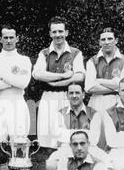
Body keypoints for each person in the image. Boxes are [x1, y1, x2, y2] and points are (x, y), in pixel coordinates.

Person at [32, 16, 85, 149]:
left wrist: (57, 83)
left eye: (60, 31)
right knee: (47, 138)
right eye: (54, 32)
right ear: (50, 33)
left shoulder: (75, 53)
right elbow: (37, 74)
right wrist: (63, 76)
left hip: (68, 98)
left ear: (66, 32)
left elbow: (79, 76)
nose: (58, 35)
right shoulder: (44, 53)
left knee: (67, 137)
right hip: (48, 97)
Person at [46, 84, 112, 170]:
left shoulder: (94, 113)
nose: (74, 95)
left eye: (77, 92)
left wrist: (67, 132)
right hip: (66, 148)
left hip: (89, 149)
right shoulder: (60, 113)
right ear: (67, 95)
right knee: (51, 164)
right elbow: (58, 135)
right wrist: (85, 132)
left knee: (107, 164)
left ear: (83, 95)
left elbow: (93, 139)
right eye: (71, 93)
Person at [0, 24, 32, 145]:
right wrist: (14, 81)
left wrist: (2, 76)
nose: (9, 40)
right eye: (6, 37)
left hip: (17, 103)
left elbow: (24, 83)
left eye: (11, 37)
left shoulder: (24, 60)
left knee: (18, 143)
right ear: (1, 39)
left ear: (17, 38)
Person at [85, 27, 124, 112]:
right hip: (96, 104)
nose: (106, 42)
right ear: (99, 42)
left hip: (118, 104)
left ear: (116, 40)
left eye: (110, 39)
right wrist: (117, 86)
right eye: (103, 39)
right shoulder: (92, 61)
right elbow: (89, 87)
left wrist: (98, 80)